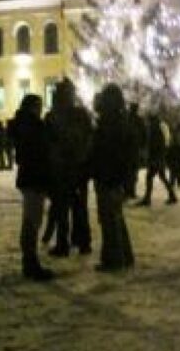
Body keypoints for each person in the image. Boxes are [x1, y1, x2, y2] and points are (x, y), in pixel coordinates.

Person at [44, 78, 94, 256]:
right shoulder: (81, 114)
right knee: (79, 206)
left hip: (63, 168)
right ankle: (83, 241)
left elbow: (48, 143)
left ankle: (63, 243)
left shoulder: (54, 115)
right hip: (80, 167)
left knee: (62, 207)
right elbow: (90, 139)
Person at [89, 84, 136, 272]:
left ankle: (114, 259)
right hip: (114, 176)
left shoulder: (111, 123)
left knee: (109, 219)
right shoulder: (118, 120)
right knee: (115, 217)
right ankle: (125, 255)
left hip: (109, 176)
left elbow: (106, 151)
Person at [11, 94, 54, 281]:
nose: (41, 109)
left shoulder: (21, 124)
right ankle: (30, 261)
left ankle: (29, 259)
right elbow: (41, 150)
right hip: (35, 176)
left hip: (28, 176)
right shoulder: (33, 126)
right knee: (32, 221)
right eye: (39, 106)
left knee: (30, 219)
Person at [138, 113, 177, 206]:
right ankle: (172, 196)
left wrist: (150, 157)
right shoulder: (161, 127)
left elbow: (153, 144)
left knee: (150, 177)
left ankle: (147, 199)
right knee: (161, 177)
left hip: (155, 158)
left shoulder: (154, 129)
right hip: (160, 157)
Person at [125, 103, 147, 200]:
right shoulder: (137, 120)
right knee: (132, 171)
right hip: (133, 149)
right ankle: (130, 191)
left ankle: (128, 191)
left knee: (129, 171)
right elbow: (144, 134)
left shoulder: (127, 118)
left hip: (130, 149)